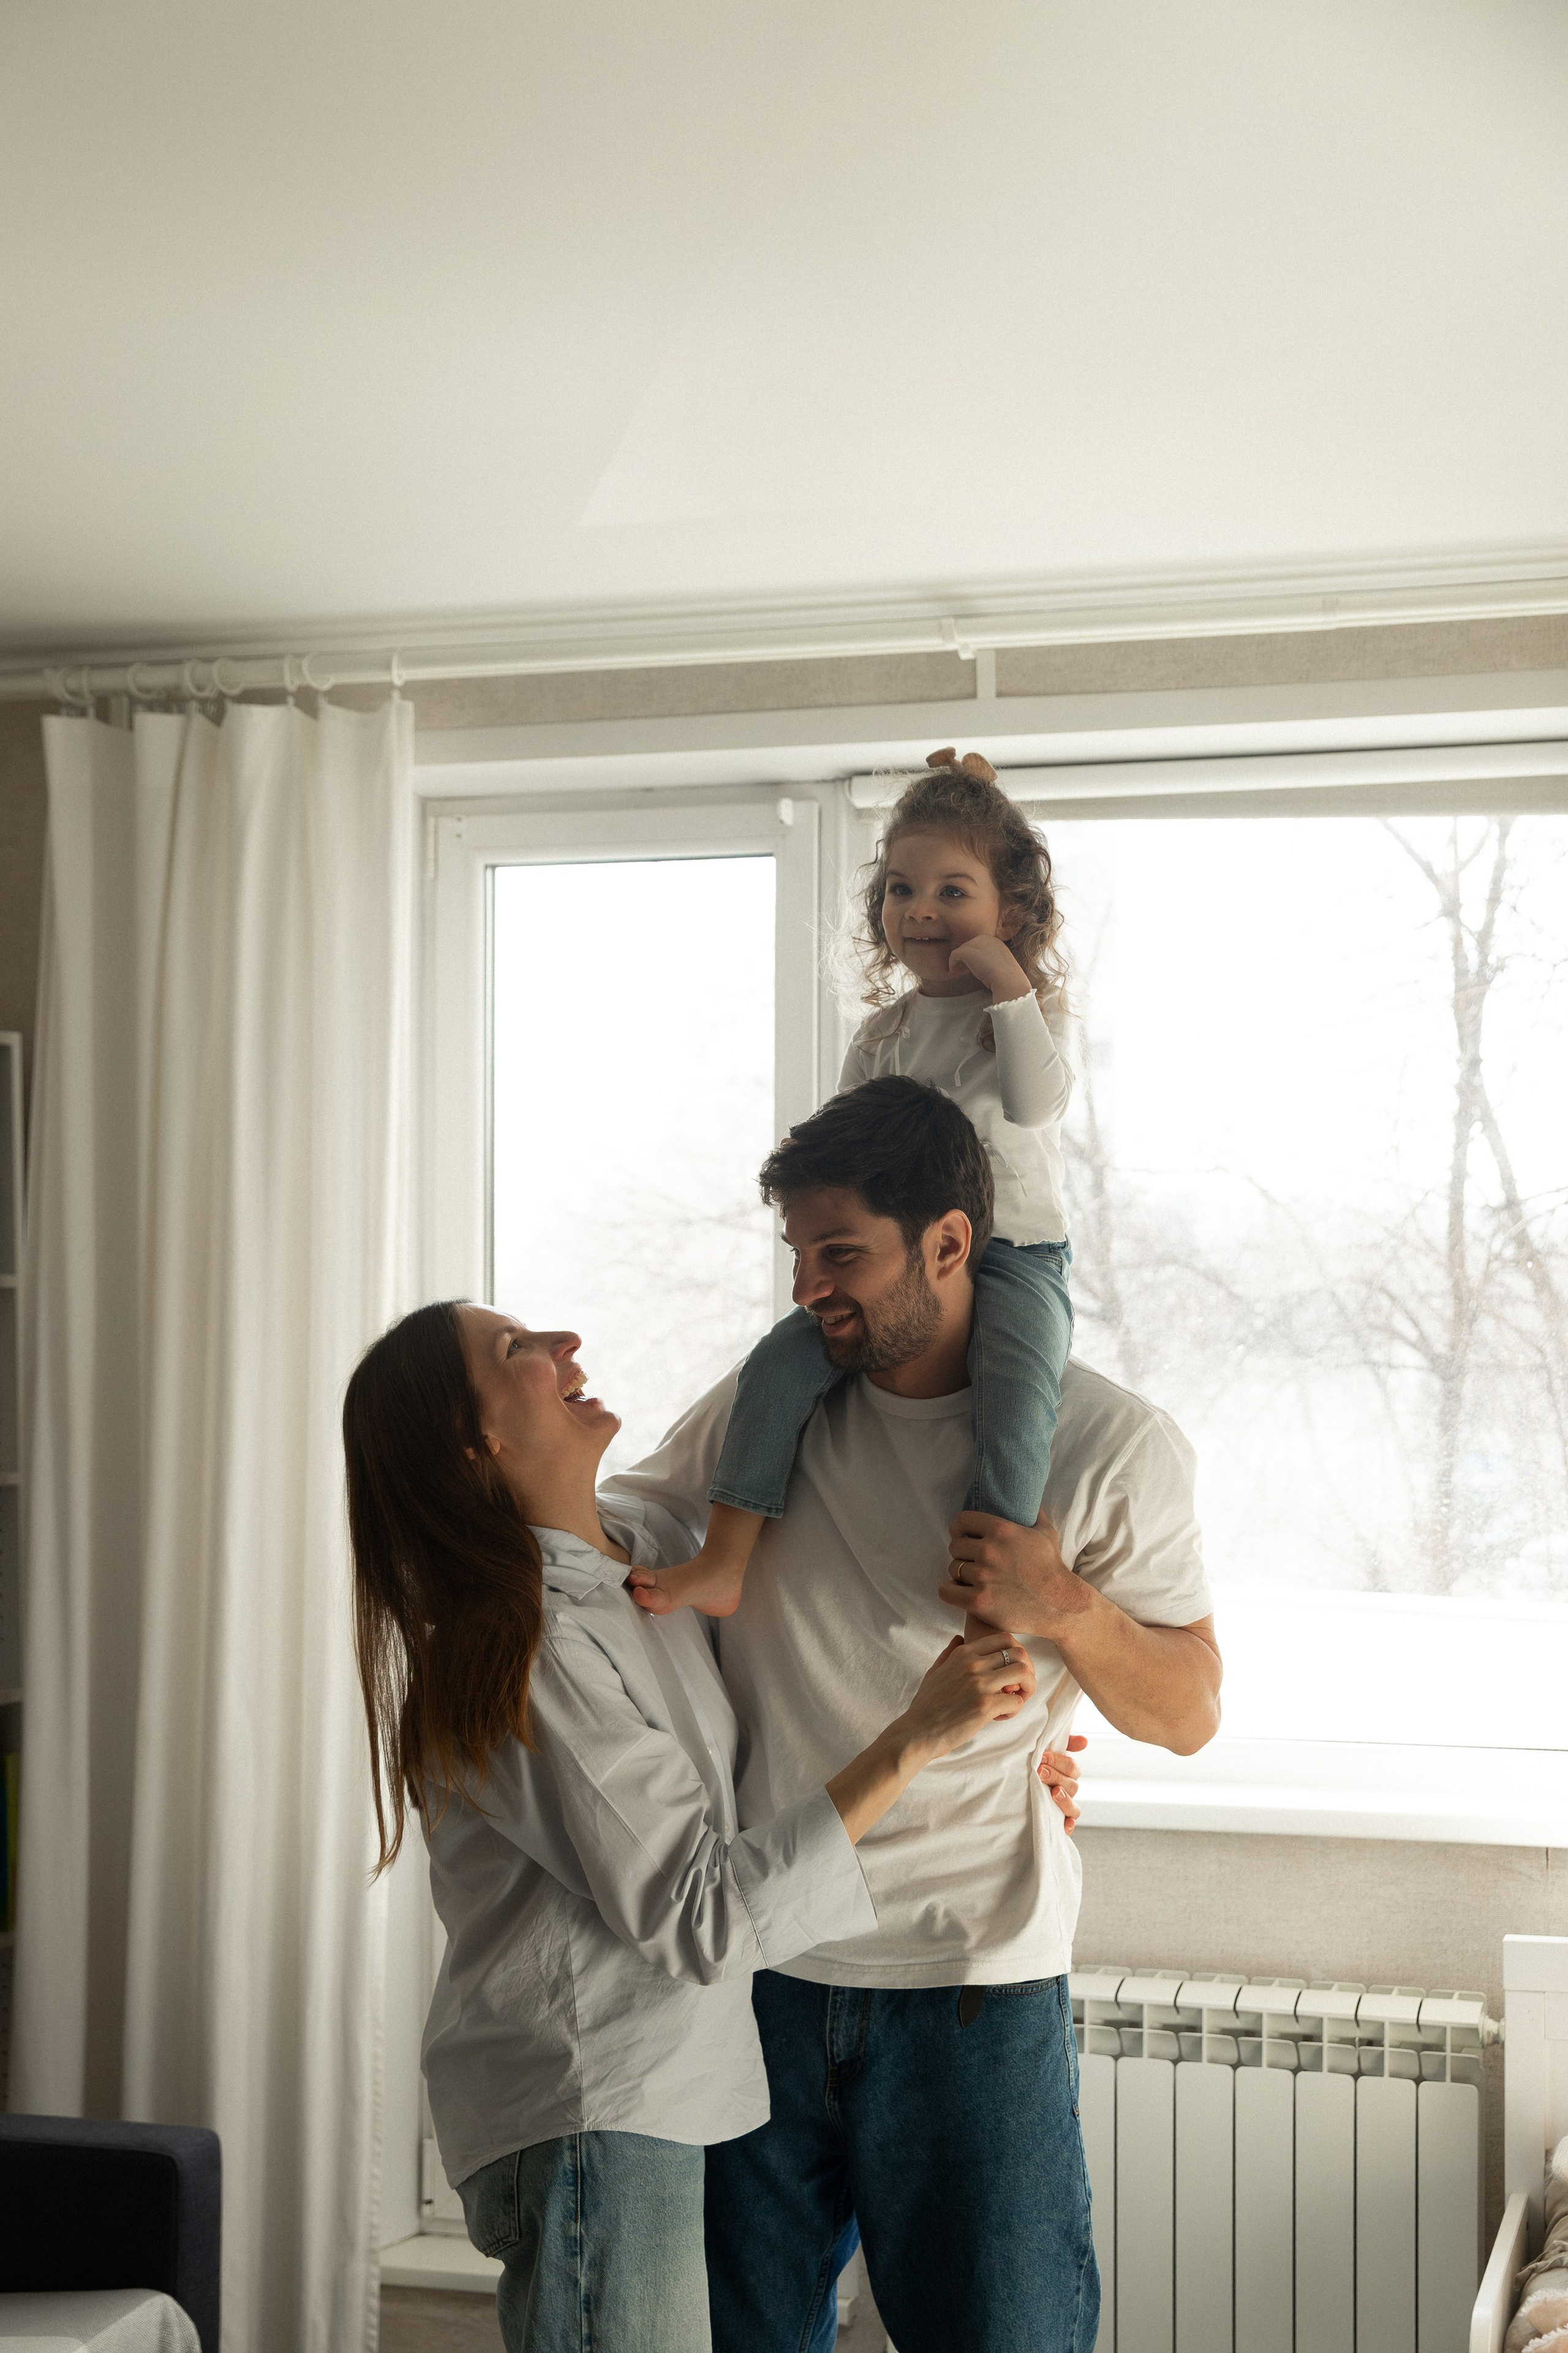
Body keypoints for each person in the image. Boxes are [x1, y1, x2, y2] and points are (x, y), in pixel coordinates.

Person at [343, 1297, 1084, 2353]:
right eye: (517, 1349)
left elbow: (787, 1380)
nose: (566, 1343)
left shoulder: (643, 1549)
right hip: (589, 2113)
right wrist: (918, 1734)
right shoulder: (527, 1651)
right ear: (477, 1442)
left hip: (652, 2100)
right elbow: (700, 1912)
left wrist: (1023, 1759)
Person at [613, 1079, 1222, 2353]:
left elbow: (1187, 1710)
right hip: (759, 1970)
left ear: (948, 1243)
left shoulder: (1108, 1444)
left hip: (969, 1988)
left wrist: (1063, 1605)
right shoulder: (764, 1413)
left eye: (840, 1254)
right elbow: (616, 1539)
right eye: (797, 1254)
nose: (806, 1289)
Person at [634, 746, 1074, 1624]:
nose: (921, 910)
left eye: (954, 891)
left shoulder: (1020, 1016)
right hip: (898, 1263)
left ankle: (993, 1607)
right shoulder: (886, 1031)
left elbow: (1036, 1103)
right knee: (776, 1365)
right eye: (902, 889)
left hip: (1016, 1252)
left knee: (1017, 1401)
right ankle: (726, 1557)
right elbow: (846, 1150)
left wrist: (1009, 987)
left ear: (1012, 907)